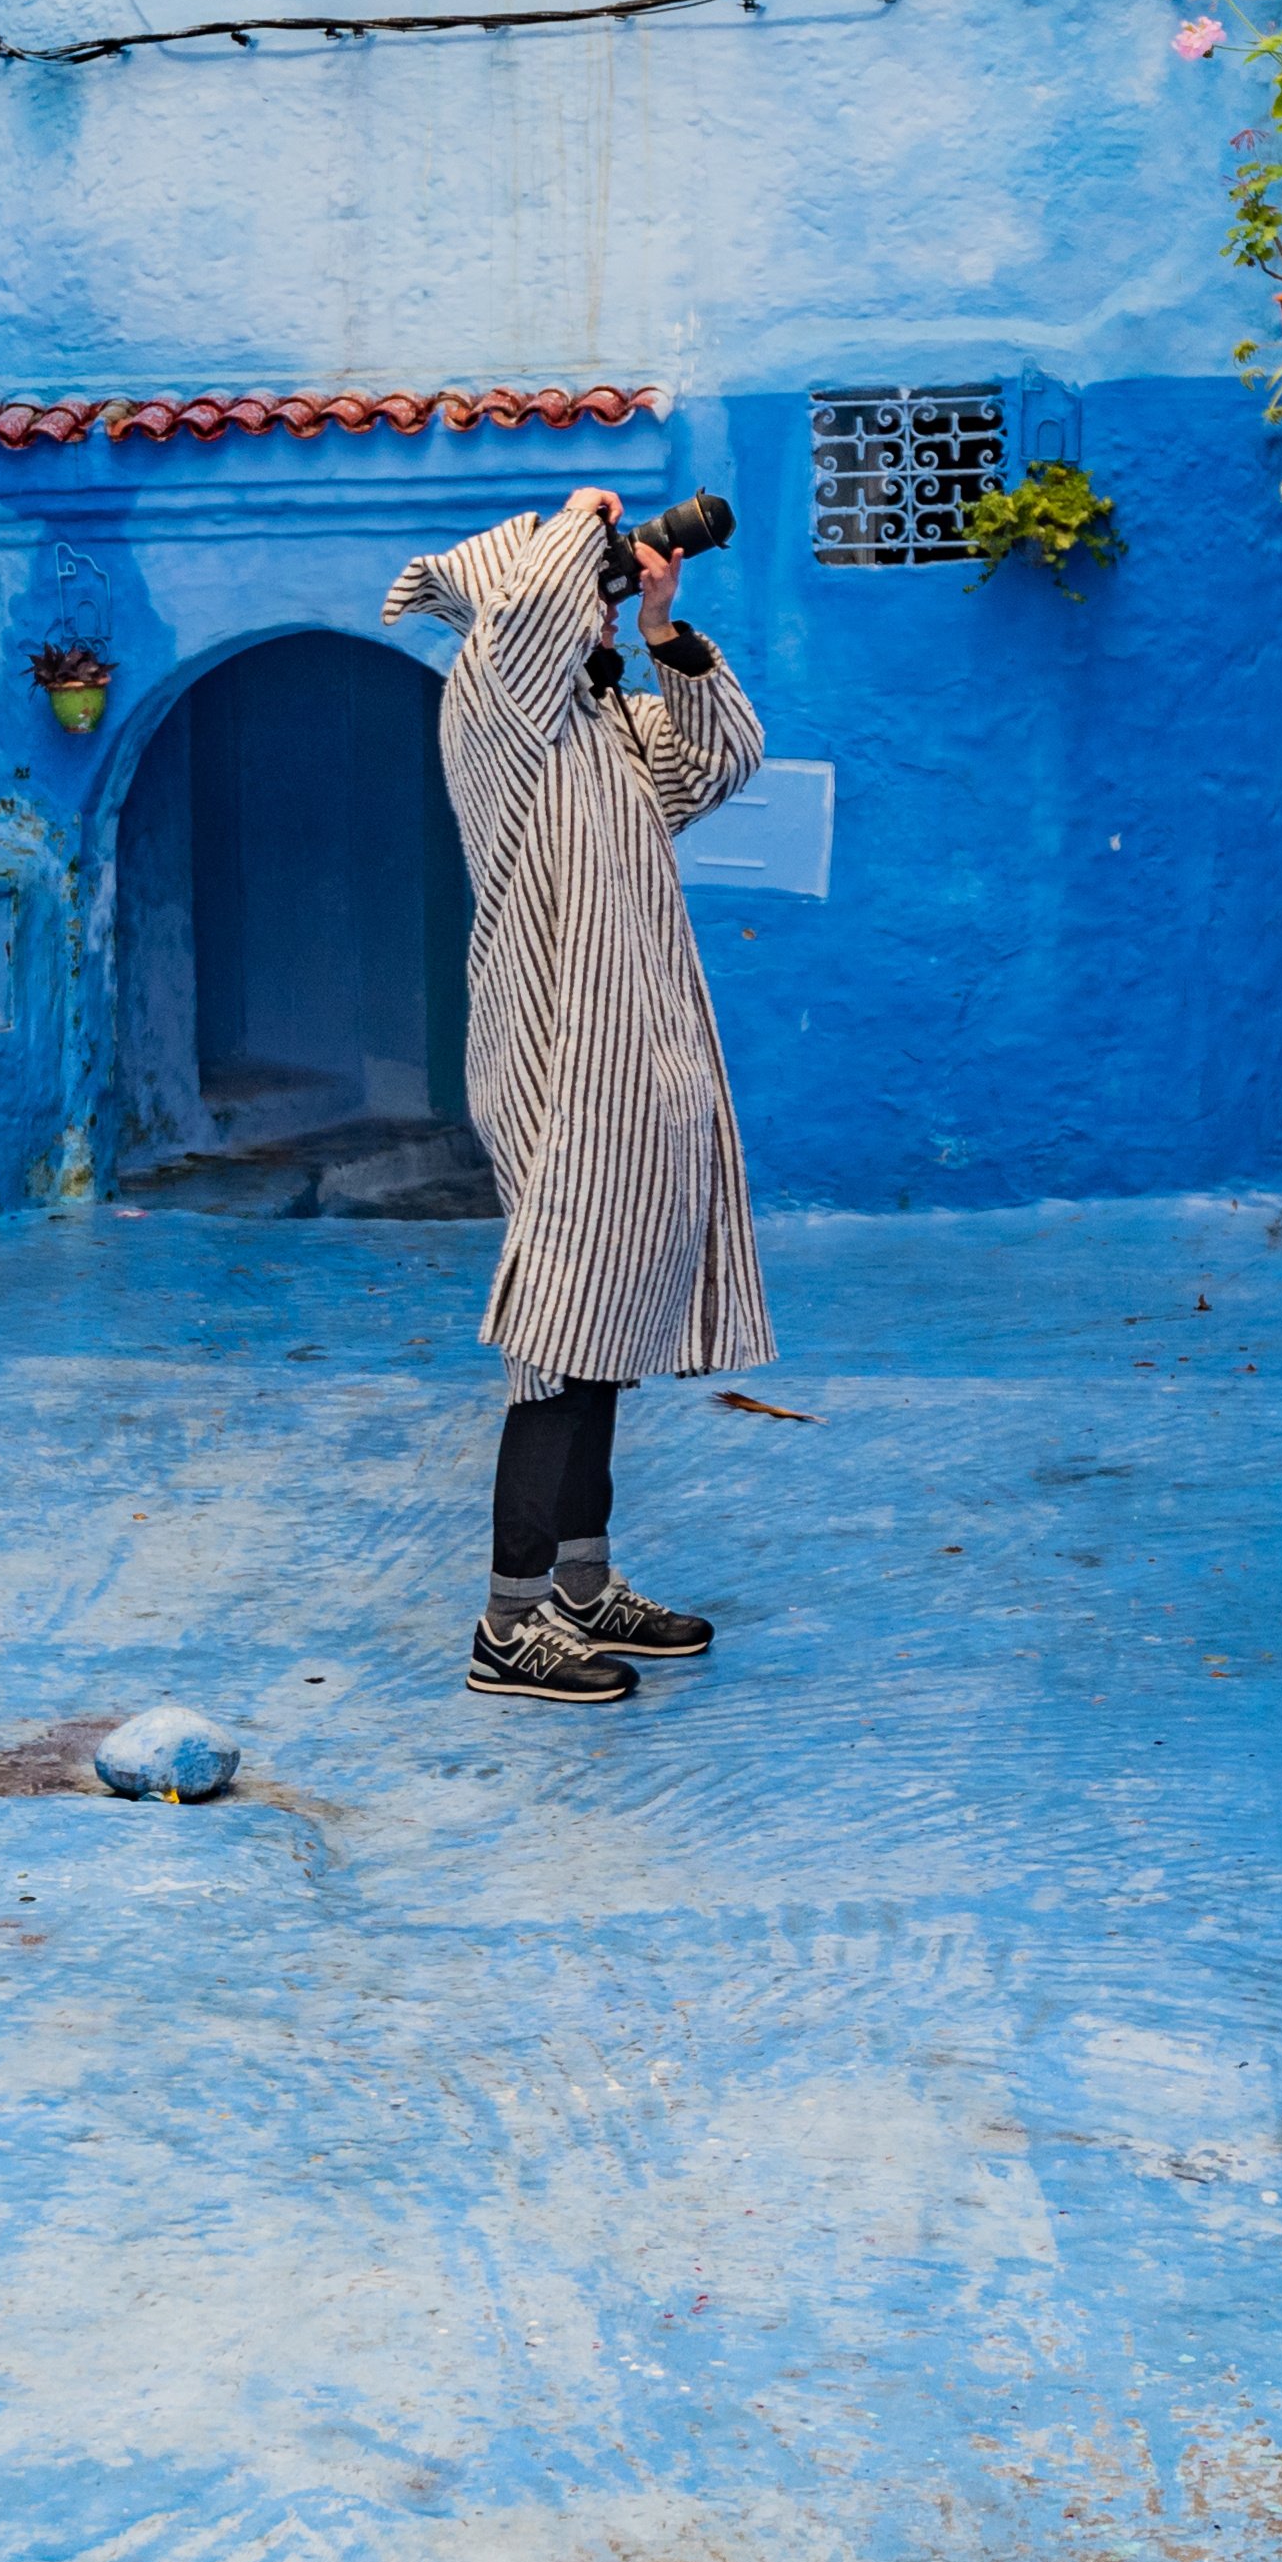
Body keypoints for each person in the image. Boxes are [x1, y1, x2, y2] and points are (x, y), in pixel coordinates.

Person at [379, 486, 773, 1704]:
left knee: (602, 1327)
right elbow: (526, 621)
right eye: (589, 585)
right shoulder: (493, 709)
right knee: (557, 1337)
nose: (597, 599)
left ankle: (583, 1588)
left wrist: (661, 631)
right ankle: (509, 1626)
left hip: (638, 1051)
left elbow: (721, 758)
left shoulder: (602, 727)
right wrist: (580, 517)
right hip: (556, 1058)